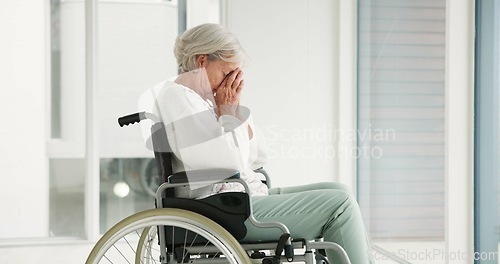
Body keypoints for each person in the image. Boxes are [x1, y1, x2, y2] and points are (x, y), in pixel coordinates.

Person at [143, 23, 374, 264]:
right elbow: (230, 161)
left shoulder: (207, 99)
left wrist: (233, 110)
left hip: (239, 198)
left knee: (339, 190)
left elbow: (260, 153)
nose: (229, 83)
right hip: (223, 208)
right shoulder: (177, 96)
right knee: (341, 205)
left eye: (235, 75)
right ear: (202, 62)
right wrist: (229, 114)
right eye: (226, 73)